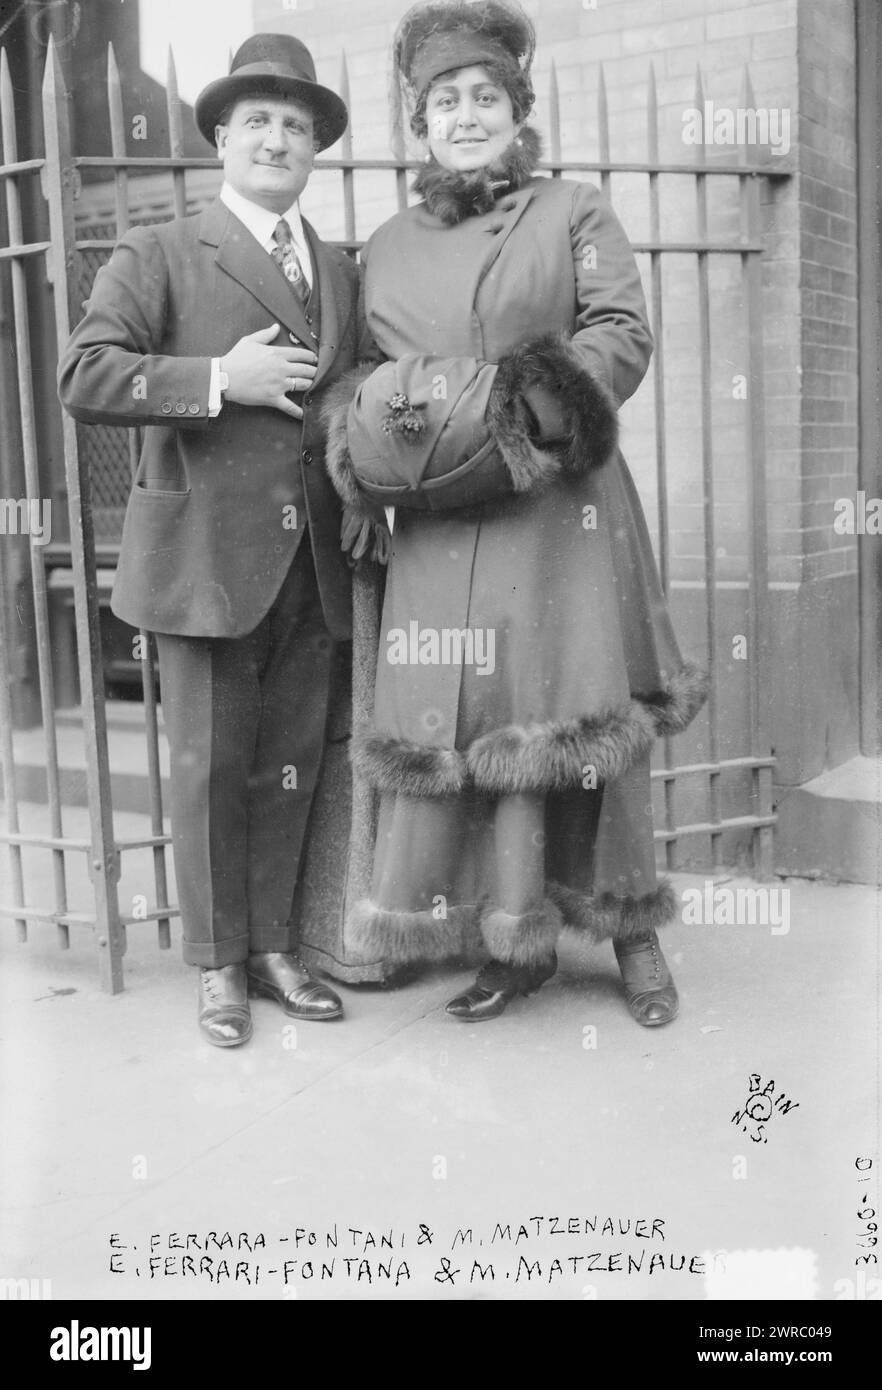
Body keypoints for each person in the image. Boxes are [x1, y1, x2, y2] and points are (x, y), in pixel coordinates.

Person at [323, 0, 708, 1023]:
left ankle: (632, 934)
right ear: (419, 121)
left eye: (484, 96)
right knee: (473, 723)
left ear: (518, 110)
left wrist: (513, 421)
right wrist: (369, 449)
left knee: (578, 719)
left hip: (560, 514)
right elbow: (359, 379)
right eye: (444, 100)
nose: (464, 115)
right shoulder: (386, 245)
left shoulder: (575, 212)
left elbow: (619, 332)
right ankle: (510, 940)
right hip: (441, 524)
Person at [59, 33, 385, 1047]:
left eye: (296, 125)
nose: (278, 139)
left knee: (290, 758)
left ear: (314, 149)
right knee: (208, 764)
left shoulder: (339, 267)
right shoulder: (159, 250)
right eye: (259, 122)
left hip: (312, 556)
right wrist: (215, 381)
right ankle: (216, 967)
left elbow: (357, 394)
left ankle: (278, 945)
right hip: (204, 559)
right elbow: (84, 374)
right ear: (220, 139)